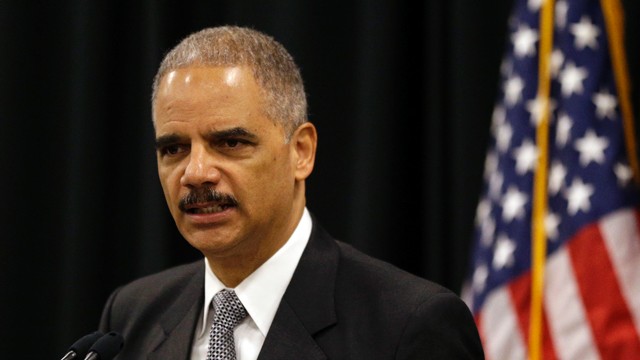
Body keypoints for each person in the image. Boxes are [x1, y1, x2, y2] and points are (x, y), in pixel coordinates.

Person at [98, 26, 484, 359]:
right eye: (174, 149)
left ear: (301, 152)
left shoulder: (410, 325)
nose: (196, 173)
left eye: (230, 143)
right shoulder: (132, 315)